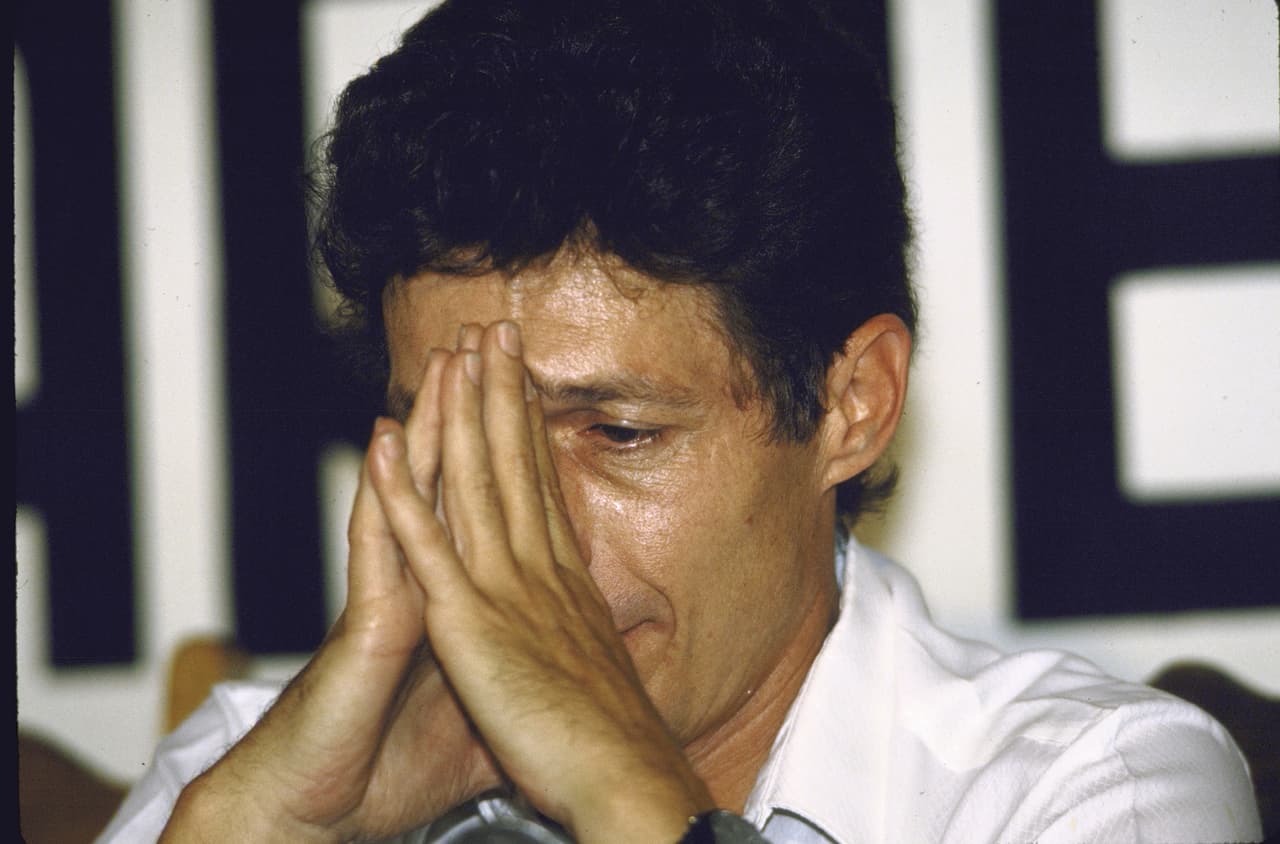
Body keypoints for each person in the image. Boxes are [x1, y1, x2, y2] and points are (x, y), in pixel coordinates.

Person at [98, 1, 1262, 842]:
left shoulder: (1084, 788)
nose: (524, 533)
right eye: (462, 432)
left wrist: (628, 796)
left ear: (850, 404)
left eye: (615, 433)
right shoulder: (260, 766)